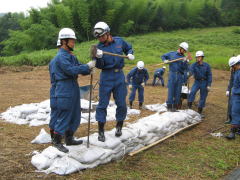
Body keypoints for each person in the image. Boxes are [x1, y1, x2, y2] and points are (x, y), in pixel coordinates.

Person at [49, 28, 95, 153]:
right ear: (64, 41)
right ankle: (57, 141)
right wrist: (86, 66)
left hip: (73, 85)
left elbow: (78, 67)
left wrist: (89, 68)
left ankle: (69, 138)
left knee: (75, 114)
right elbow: (70, 70)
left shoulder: (70, 56)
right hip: (64, 87)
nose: (74, 42)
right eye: (72, 40)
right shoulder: (60, 57)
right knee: (65, 113)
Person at [93, 22, 134, 142]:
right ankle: (101, 131)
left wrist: (130, 53)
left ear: (108, 33)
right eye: (98, 37)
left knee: (121, 103)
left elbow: (129, 48)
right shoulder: (98, 47)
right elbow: (99, 66)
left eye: (102, 36)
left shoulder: (119, 41)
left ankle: (119, 127)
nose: (100, 39)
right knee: (102, 104)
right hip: (106, 76)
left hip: (119, 76)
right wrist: (99, 57)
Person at [161, 42, 189, 112]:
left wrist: (185, 62)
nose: (184, 52)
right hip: (172, 74)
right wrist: (165, 60)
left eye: (185, 51)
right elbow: (163, 56)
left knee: (178, 91)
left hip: (180, 75)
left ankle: (175, 106)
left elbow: (185, 68)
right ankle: (169, 105)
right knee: (171, 90)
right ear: (180, 48)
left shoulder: (183, 57)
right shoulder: (171, 53)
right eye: (184, 50)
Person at [187, 51, 212, 118]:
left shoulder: (207, 65)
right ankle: (189, 108)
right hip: (197, 82)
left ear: (202, 57)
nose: (198, 58)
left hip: (204, 82)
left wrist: (209, 85)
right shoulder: (194, 65)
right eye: (197, 57)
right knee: (192, 92)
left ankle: (199, 112)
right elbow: (190, 70)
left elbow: (209, 75)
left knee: (203, 97)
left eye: (199, 57)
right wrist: (188, 74)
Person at [226, 56, 240, 139]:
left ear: (235, 65)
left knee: (235, 112)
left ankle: (232, 133)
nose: (232, 68)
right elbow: (232, 81)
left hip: (238, 95)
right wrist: (229, 90)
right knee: (232, 110)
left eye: (232, 66)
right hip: (234, 94)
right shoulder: (236, 72)